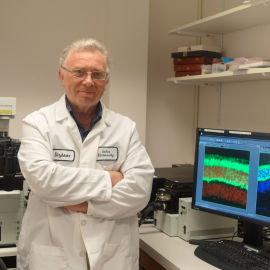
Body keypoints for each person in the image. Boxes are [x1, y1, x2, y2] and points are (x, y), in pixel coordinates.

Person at [17, 38, 154, 270]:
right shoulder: (38, 123)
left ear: (106, 81)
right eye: (79, 72)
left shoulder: (125, 127)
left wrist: (84, 205)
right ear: (62, 76)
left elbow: (139, 192)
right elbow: (45, 181)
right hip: (52, 256)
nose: (88, 81)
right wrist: (110, 179)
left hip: (111, 256)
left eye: (97, 74)